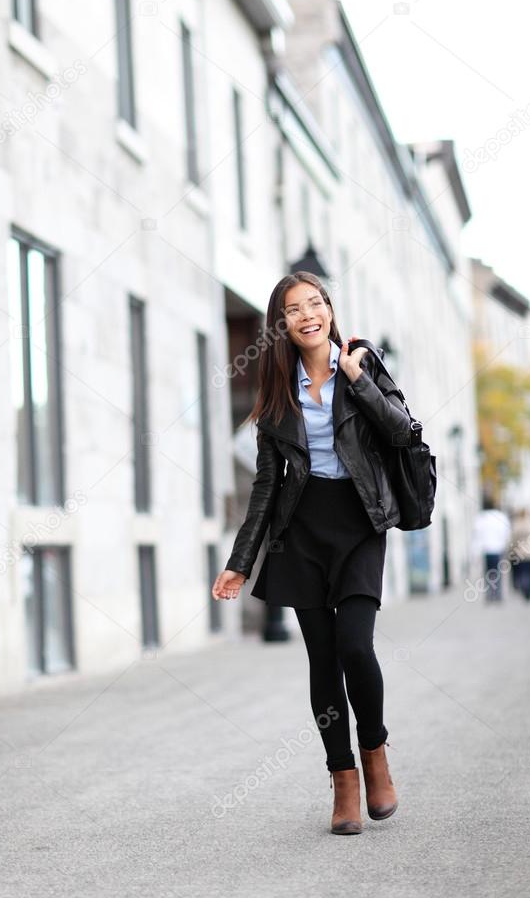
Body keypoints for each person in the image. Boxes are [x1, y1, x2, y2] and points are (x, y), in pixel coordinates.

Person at [211, 272, 413, 836]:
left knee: (355, 644)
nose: (307, 314)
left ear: (329, 309)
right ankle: (342, 779)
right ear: (283, 324)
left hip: (358, 523)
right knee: (322, 659)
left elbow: (401, 433)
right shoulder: (277, 394)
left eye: (315, 303)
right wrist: (240, 560)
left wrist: (359, 380)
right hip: (299, 533)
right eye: (294, 308)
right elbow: (265, 486)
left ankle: (374, 752)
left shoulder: (362, 364)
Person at [471, 496, 511, 603]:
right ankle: (497, 594)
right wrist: (505, 545)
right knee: (497, 573)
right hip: (498, 549)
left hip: (487, 550)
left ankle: (490, 594)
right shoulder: (501, 516)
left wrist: (476, 551)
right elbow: (506, 532)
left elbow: (477, 535)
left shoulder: (481, 518)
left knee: (488, 573)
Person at [508, 507, 530, 602]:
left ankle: (524, 588)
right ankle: (529, 591)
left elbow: (513, 538)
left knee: (523, 572)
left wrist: (511, 550)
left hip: (520, 552)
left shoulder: (516, 524)